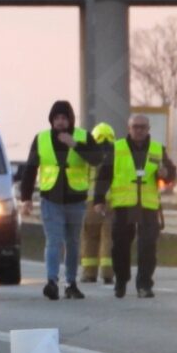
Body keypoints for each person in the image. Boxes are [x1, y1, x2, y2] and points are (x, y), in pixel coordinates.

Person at [20, 101, 104, 300]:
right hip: (51, 198)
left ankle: (71, 283)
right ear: (51, 120)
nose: (60, 122)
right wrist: (26, 198)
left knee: (73, 242)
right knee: (54, 241)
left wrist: (74, 145)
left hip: (75, 199)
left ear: (70, 120)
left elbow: (97, 158)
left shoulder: (83, 137)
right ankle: (51, 282)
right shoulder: (41, 139)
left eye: (64, 118)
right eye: (56, 118)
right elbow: (30, 169)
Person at [92, 114, 177, 298]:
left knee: (148, 246)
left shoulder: (157, 149)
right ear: (129, 128)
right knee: (120, 246)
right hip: (124, 205)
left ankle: (144, 284)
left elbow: (171, 172)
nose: (139, 130)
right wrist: (98, 200)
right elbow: (104, 176)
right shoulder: (117, 148)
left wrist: (166, 173)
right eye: (135, 127)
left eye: (142, 127)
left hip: (148, 206)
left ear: (148, 129)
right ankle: (121, 281)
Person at [80, 122, 116, 284]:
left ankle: (89, 273)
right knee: (109, 237)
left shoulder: (90, 157)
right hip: (114, 203)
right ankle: (108, 273)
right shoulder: (117, 155)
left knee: (90, 237)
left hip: (91, 202)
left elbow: (82, 179)